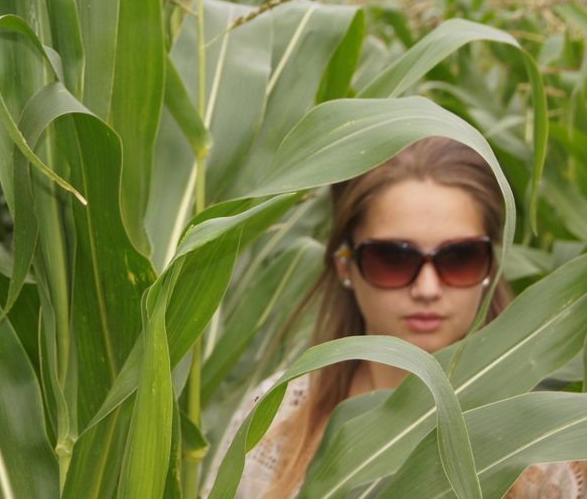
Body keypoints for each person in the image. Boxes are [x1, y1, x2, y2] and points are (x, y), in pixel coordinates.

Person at [203, 136, 586, 498]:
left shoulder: (547, 446)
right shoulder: (273, 419)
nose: (427, 288)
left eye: (459, 258)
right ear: (344, 265)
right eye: (393, 259)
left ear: (490, 266)